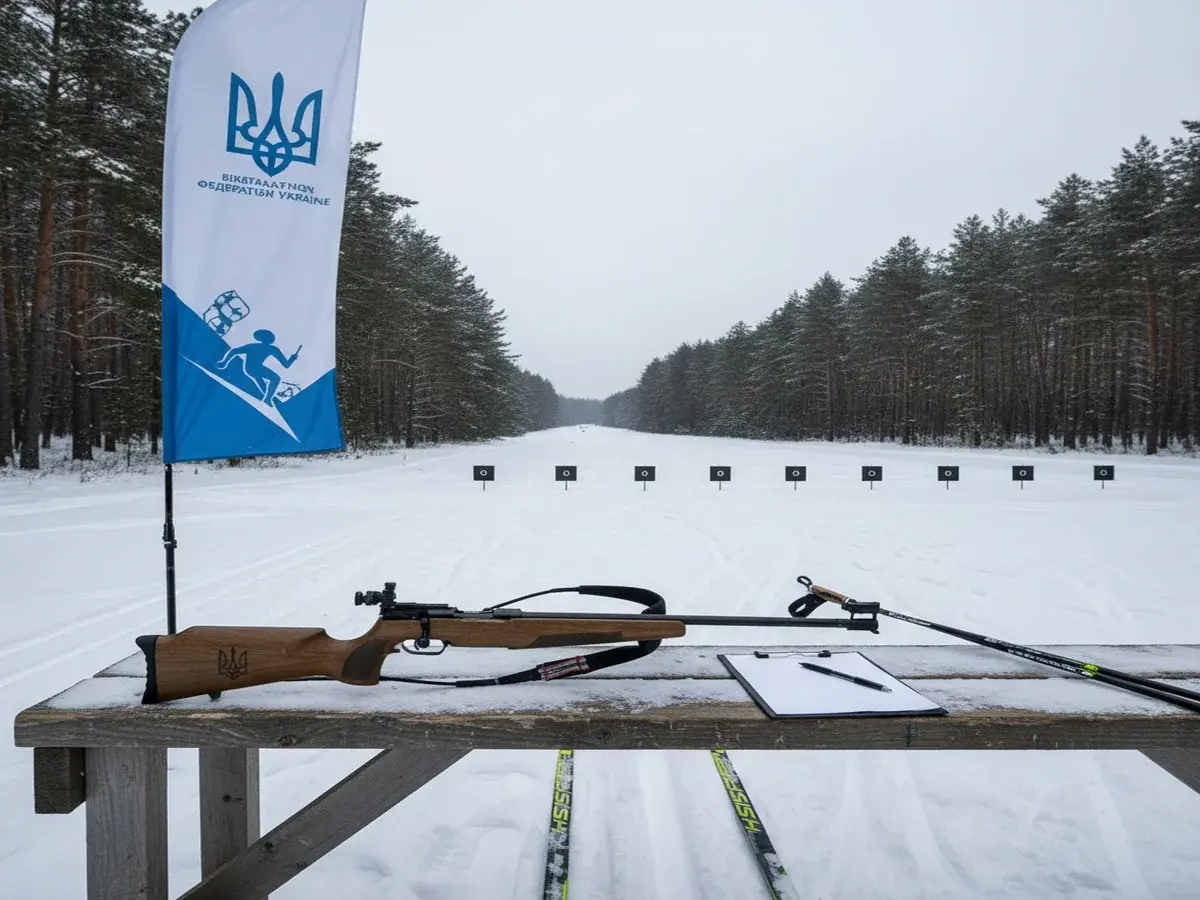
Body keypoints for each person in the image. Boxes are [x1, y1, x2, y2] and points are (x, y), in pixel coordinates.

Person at [216, 329, 301, 404]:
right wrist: (224, 362)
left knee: (263, 383)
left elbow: (286, 365)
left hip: (250, 369)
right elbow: (234, 351)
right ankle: (267, 399)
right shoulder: (256, 347)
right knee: (275, 378)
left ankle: (268, 399)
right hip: (253, 369)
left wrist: (224, 362)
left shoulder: (263, 347)